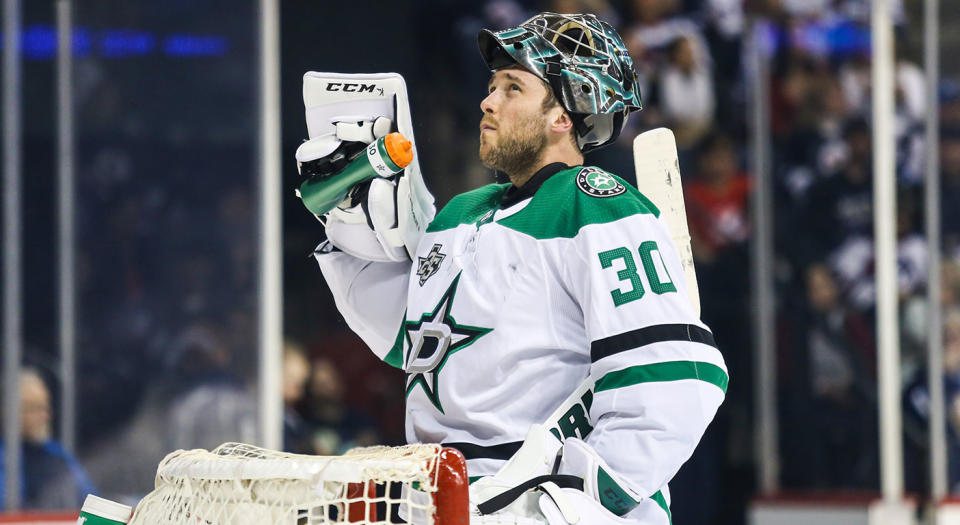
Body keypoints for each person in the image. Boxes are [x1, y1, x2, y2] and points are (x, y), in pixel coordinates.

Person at [298, 12, 726, 524]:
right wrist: (352, 227)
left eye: (512, 88)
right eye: (491, 86)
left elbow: (677, 377)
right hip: (448, 499)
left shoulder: (599, 207)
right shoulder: (461, 212)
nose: (488, 101)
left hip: (542, 502)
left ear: (562, 117)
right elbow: (413, 344)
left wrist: (580, 501)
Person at [0, 368, 96, 510]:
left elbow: (91, 502)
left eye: (45, 408)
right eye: (34, 408)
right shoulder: (5, 457)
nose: (44, 416)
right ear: (6, 411)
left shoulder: (57, 455)